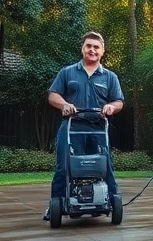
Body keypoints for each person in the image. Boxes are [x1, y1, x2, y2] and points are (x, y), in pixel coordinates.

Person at [45, 31, 124, 221]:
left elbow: (119, 101)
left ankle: (110, 201)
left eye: (96, 47)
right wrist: (64, 104)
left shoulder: (110, 77)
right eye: (89, 46)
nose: (92, 50)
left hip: (98, 127)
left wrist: (111, 107)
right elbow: (52, 95)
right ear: (82, 48)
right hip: (72, 126)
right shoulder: (67, 72)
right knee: (64, 166)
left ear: (102, 51)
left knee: (105, 166)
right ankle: (57, 203)